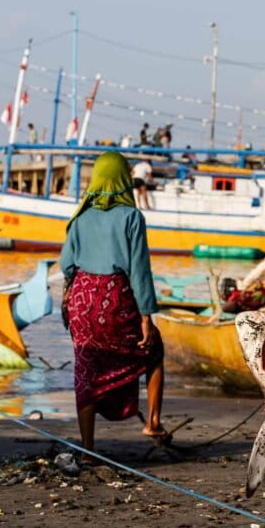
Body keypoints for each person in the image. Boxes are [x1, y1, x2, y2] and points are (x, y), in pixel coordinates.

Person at [58, 151, 165, 450]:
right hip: (115, 297)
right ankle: (152, 424)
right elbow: (139, 271)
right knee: (153, 352)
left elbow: (65, 264)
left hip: (82, 300)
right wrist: (146, 318)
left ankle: (88, 448)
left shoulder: (80, 218)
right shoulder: (132, 217)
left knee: (86, 368)